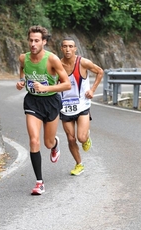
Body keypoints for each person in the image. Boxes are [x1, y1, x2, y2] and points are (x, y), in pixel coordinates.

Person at [16, 26, 71, 195]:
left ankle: (55, 144)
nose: (33, 44)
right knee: (34, 140)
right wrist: (21, 81)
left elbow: (67, 84)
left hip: (51, 102)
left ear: (44, 42)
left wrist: (46, 89)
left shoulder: (52, 59)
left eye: (37, 41)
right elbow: (22, 72)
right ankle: (39, 182)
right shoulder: (23, 58)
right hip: (32, 102)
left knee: (47, 143)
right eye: (31, 40)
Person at [59, 37, 104, 176]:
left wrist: (92, 90)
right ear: (61, 48)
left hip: (82, 105)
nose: (67, 49)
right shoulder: (57, 64)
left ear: (75, 48)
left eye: (70, 46)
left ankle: (86, 138)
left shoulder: (83, 62)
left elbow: (100, 71)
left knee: (81, 138)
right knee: (70, 138)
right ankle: (79, 164)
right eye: (65, 46)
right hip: (65, 107)